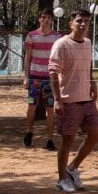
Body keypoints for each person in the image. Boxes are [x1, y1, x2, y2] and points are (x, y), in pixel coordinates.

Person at [49, 8, 98, 192]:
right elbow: (53, 72)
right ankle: (62, 179)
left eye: (86, 21)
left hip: (87, 100)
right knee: (68, 140)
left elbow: (87, 67)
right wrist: (57, 100)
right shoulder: (61, 44)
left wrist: (93, 83)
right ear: (70, 23)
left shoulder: (88, 43)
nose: (83, 24)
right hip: (68, 100)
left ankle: (72, 168)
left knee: (96, 133)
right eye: (79, 21)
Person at [23, 8, 62, 151]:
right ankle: (29, 131)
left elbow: (60, 59)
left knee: (50, 109)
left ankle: (50, 139)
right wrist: (26, 77)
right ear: (39, 19)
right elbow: (27, 58)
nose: (46, 20)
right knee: (31, 106)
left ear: (52, 20)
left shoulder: (57, 37)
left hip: (50, 79)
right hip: (34, 78)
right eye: (43, 17)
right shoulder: (31, 36)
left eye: (48, 18)